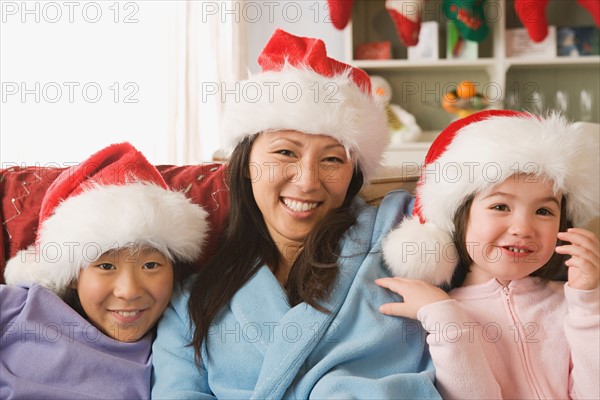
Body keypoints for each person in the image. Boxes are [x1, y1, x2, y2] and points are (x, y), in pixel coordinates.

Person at [151, 29, 441, 399]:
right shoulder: (191, 302)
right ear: (244, 164)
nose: (306, 182)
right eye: (285, 153)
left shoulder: (400, 245)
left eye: (332, 159)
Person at [377, 110, 600, 399]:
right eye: (500, 207)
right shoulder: (442, 312)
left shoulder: (576, 305)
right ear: (460, 216)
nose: (523, 227)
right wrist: (448, 321)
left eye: (544, 211)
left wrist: (588, 304)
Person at [1, 142, 209, 399]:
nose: (129, 291)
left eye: (151, 265)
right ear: (74, 275)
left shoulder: (174, 348)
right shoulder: (19, 306)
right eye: (106, 266)